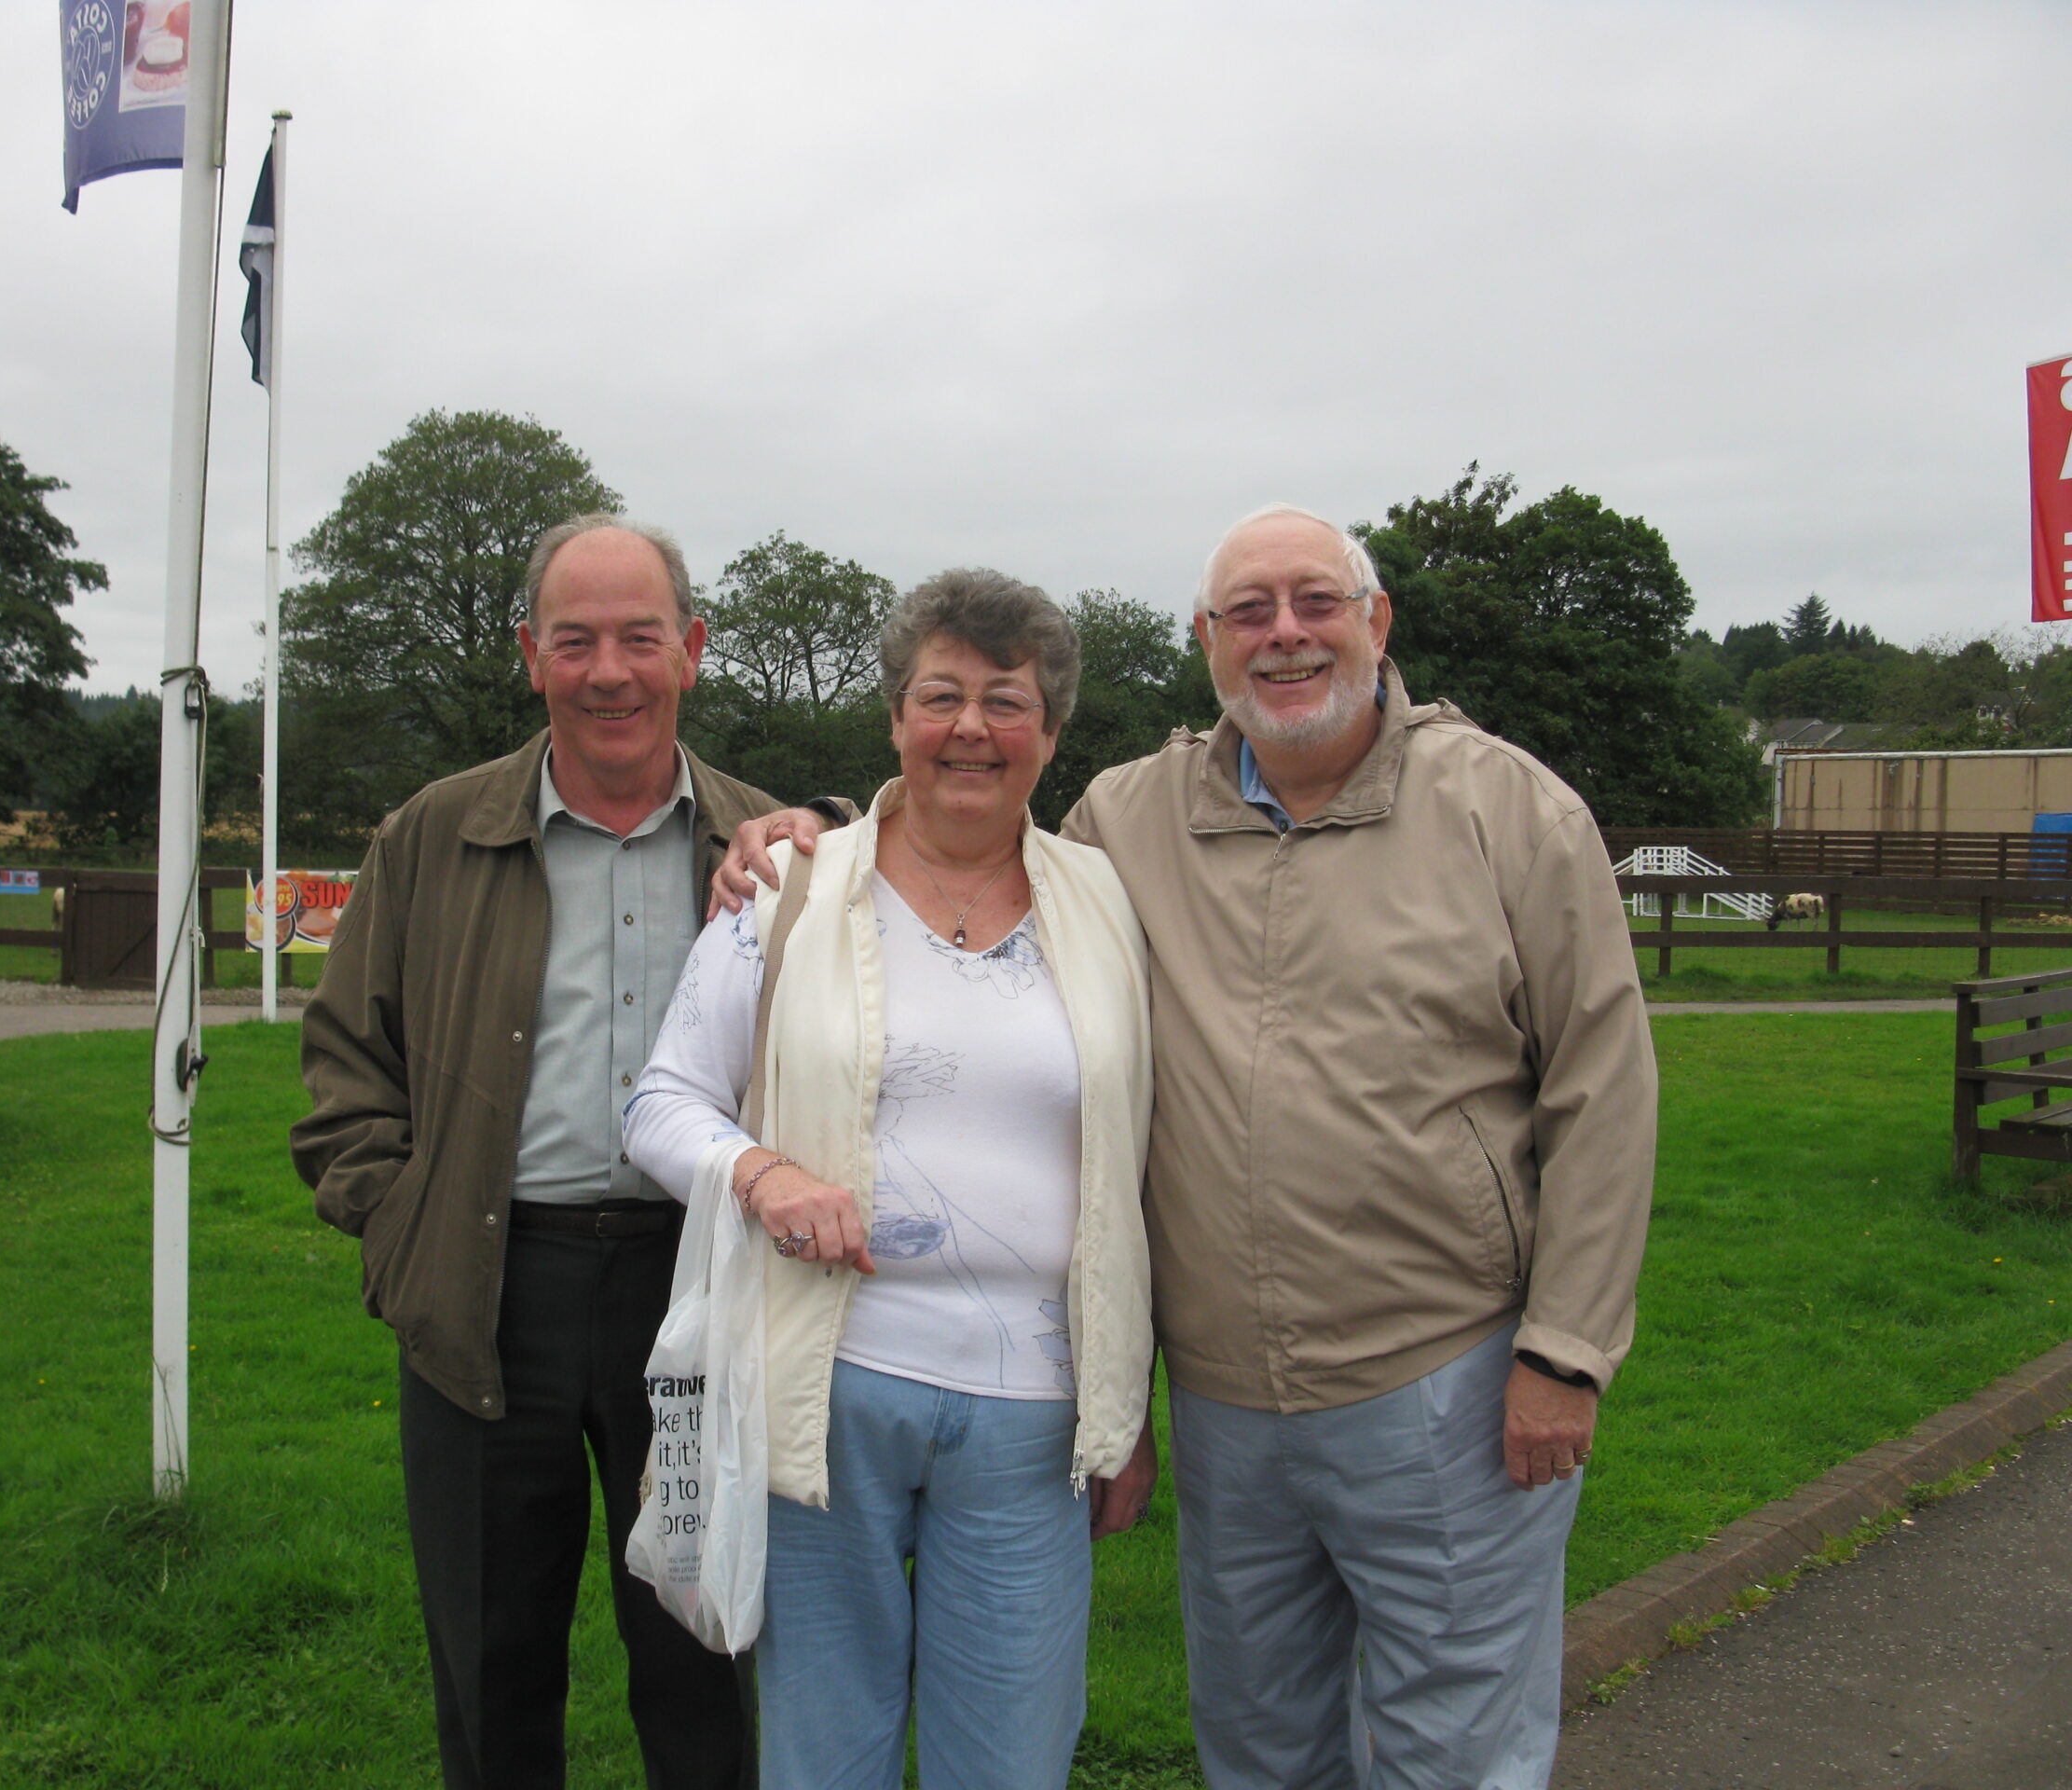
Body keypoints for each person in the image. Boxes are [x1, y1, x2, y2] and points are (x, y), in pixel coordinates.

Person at [715, 505, 1656, 1789]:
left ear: (1377, 622)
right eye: (1248, 612)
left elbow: (1604, 1088)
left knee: (1456, 1747)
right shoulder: (1132, 817)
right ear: (1207, 639)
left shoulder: (1509, 810)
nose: (1285, 636)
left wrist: (1567, 1351)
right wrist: (819, 822)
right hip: (1225, 1402)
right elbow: (969, 825)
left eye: (1316, 603)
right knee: (1260, 1744)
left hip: (1443, 1376)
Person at [293, 516, 849, 1790]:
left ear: (691, 651)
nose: (610, 672)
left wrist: (823, 812)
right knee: (493, 1667)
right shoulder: (433, 835)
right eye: (575, 639)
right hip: (488, 1293)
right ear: (529, 654)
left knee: (701, 1652)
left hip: (700, 1292)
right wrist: (403, 1230)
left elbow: (925, 843)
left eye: (640, 638)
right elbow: (344, 1064)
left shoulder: (777, 852)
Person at [623, 569, 1158, 1790]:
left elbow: (1136, 1163)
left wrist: (1127, 1411)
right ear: (896, 718)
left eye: (1006, 701)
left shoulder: (1106, 901)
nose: (971, 728)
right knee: (826, 1752)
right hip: (826, 1400)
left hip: (1033, 1417)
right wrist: (759, 1173)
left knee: (1012, 1759)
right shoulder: (789, 890)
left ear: (1050, 733)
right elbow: (661, 1104)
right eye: (940, 696)